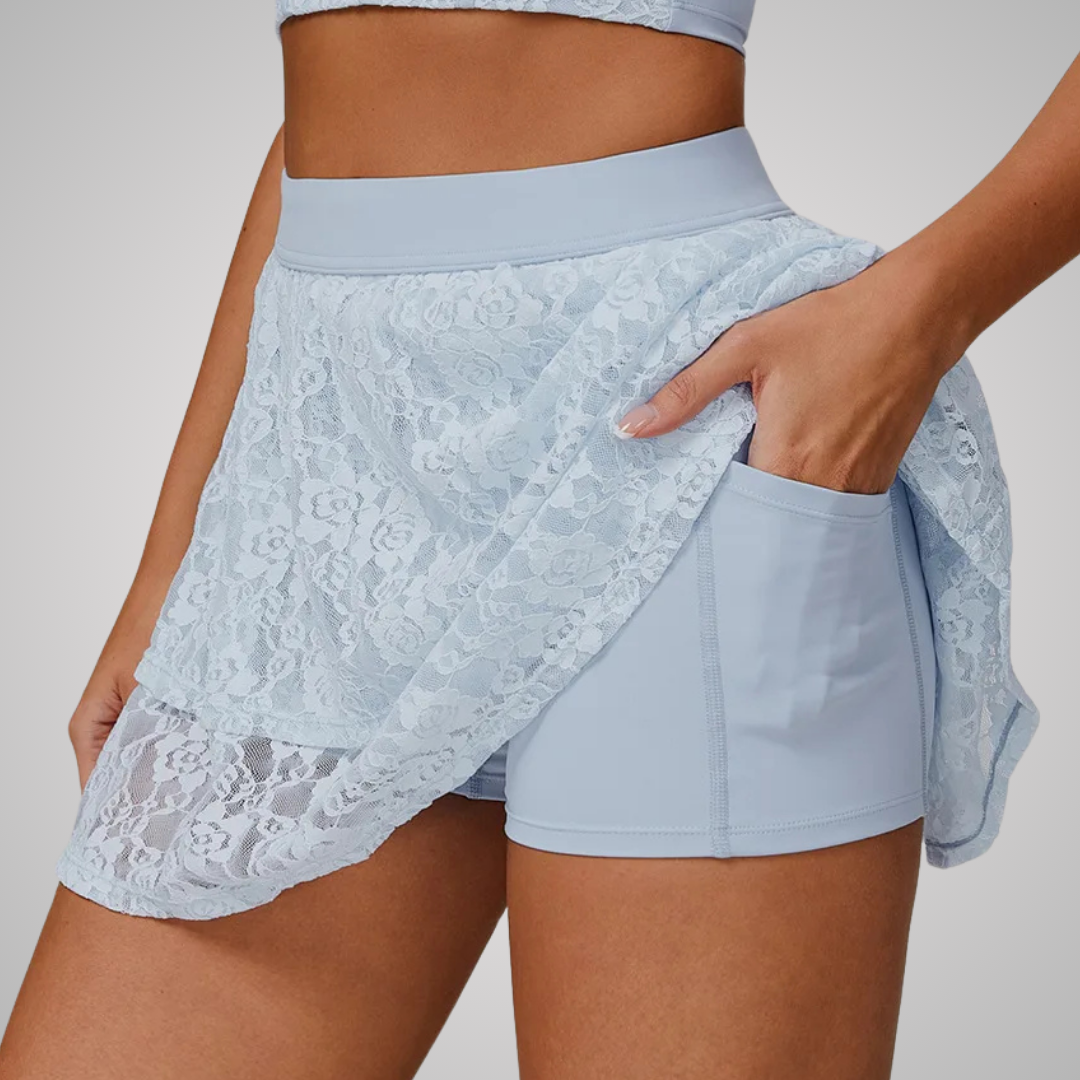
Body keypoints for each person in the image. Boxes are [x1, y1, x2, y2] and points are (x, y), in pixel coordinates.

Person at [1, 3, 1075, 1077]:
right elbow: (356, 105)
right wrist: (174, 560)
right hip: (318, 491)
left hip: (667, 416)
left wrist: (917, 315)